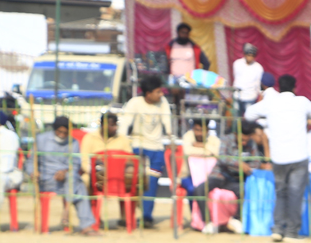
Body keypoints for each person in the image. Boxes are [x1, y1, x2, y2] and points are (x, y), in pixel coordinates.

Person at [244, 74, 311, 241]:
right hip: (298, 157)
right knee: (295, 195)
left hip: (278, 157)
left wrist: (266, 115)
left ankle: (278, 229)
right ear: (294, 88)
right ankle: (291, 232)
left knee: (280, 193)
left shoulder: (271, 103)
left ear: (278, 88)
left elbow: (249, 114)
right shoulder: (301, 102)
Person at [119, 73, 173, 228]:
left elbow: (167, 123)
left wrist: (170, 139)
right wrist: (122, 145)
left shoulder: (163, 102)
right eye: (158, 91)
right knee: (133, 183)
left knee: (152, 183)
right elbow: (124, 124)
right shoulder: (134, 103)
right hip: (138, 148)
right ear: (148, 93)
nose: (161, 94)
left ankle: (146, 217)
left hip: (157, 150)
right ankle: (128, 217)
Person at [31, 116, 98, 236]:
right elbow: (31, 161)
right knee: (79, 187)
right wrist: (33, 172)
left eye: (65, 133)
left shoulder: (74, 143)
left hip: (67, 180)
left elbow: (76, 164)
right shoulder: (41, 140)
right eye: (59, 132)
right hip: (46, 179)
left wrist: (65, 171)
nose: (62, 135)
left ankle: (71, 216)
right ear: (54, 130)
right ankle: (81, 223)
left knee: (75, 181)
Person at [205, 117, 259, 234]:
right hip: (219, 176)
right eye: (242, 140)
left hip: (235, 180)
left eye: (246, 140)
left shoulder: (251, 143)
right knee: (200, 190)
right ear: (235, 134)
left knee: (245, 190)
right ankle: (208, 222)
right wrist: (239, 164)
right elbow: (222, 157)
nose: (244, 143)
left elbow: (256, 162)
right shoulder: (226, 139)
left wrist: (248, 167)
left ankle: (236, 220)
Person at [80, 113, 133, 226]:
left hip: (119, 179)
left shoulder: (122, 139)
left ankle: (126, 218)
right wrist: (94, 174)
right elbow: (84, 160)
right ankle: (93, 217)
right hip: (97, 177)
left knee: (136, 182)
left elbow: (130, 161)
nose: (115, 128)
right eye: (112, 125)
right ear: (103, 125)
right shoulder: (89, 138)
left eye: (116, 125)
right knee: (84, 181)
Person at [178, 118, 221, 232]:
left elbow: (218, 152)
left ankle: (210, 221)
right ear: (193, 129)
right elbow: (188, 151)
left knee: (214, 191)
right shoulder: (188, 136)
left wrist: (200, 145)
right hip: (187, 176)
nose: (199, 133)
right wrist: (207, 150)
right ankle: (196, 220)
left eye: (202, 130)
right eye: (197, 130)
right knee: (193, 189)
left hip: (208, 177)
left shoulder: (213, 139)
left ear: (207, 130)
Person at [232, 43, 264, 113]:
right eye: (249, 55)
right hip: (237, 96)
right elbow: (236, 78)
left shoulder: (258, 68)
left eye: (252, 56)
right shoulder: (237, 64)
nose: (250, 58)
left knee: (249, 118)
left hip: (250, 97)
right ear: (245, 54)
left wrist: (260, 96)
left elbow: (259, 83)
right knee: (236, 117)